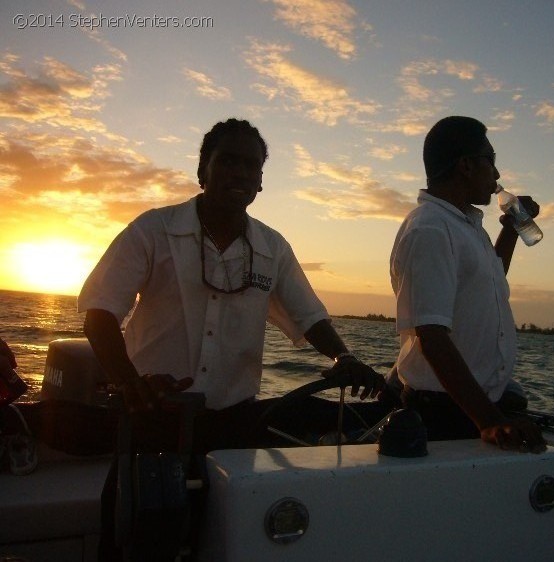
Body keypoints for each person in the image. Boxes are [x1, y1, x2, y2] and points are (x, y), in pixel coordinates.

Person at [78, 117, 385, 559]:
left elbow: (310, 317)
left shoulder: (272, 248)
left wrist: (343, 356)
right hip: (152, 420)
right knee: (131, 542)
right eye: (228, 162)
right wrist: (130, 383)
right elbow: (99, 314)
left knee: (219, 542)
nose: (241, 173)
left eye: (252, 166)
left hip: (234, 431)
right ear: (203, 169)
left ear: (261, 181)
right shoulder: (154, 230)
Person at [389, 115, 545, 452]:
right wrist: (489, 421)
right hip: (445, 414)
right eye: (490, 161)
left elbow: (489, 276)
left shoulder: (465, 225)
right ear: (466, 166)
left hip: (470, 408)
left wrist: (512, 229)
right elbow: (432, 336)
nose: (498, 174)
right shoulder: (431, 229)